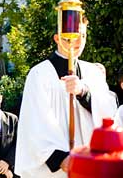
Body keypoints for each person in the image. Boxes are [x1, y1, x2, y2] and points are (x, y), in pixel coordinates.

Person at [14, 17, 117, 178]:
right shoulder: (39, 74)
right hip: (56, 168)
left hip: (90, 162)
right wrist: (61, 159)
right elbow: (33, 122)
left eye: (82, 36)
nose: (77, 42)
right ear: (57, 38)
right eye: (71, 35)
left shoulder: (93, 72)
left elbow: (109, 114)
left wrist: (84, 93)